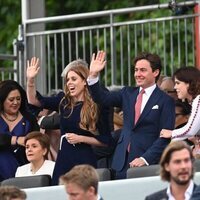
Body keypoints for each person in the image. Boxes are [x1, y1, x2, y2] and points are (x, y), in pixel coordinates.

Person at [87, 50, 175, 178]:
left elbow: (165, 136)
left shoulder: (165, 101)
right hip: (120, 163)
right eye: (136, 70)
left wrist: (145, 159)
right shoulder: (127, 93)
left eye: (143, 70)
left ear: (155, 72)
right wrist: (93, 76)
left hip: (149, 164)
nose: (137, 74)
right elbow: (102, 98)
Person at [26, 57, 113, 185]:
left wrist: (81, 138)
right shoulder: (64, 102)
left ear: (84, 81)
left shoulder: (96, 105)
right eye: (67, 80)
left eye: (73, 79)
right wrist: (31, 80)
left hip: (84, 157)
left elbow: (106, 141)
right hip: (64, 157)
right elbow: (34, 101)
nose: (69, 83)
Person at [0, 80, 39, 181]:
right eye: (11, 99)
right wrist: (16, 140)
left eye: (18, 99)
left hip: (23, 171)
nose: (15, 102)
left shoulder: (29, 119)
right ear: (2, 100)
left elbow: (37, 141)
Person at [160, 67, 200, 140]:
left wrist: (171, 133)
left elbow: (190, 130)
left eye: (178, 83)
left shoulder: (198, 100)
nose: (175, 87)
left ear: (189, 83)